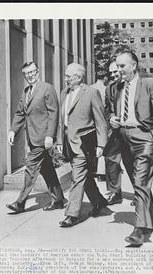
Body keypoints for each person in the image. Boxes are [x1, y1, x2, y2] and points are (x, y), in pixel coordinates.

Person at [109, 50, 153, 245]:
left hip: (144, 140)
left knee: (141, 182)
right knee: (137, 182)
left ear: (133, 65)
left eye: (122, 66)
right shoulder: (116, 87)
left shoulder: (149, 84)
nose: (119, 70)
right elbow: (112, 110)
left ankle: (140, 229)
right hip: (123, 139)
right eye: (117, 66)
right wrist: (113, 120)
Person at [6, 62, 65, 213]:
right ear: (24, 75)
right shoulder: (26, 92)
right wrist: (13, 130)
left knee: (30, 167)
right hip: (32, 138)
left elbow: (54, 113)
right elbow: (20, 113)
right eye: (27, 73)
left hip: (43, 138)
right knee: (47, 169)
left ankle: (20, 202)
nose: (30, 75)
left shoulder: (47, 88)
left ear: (38, 72)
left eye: (32, 72)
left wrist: (50, 136)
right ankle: (58, 199)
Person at [57, 63, 108, 227]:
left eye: (68, 76)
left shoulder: (92, 93)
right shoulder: (64, 93)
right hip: (67, 143)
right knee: (83, 177)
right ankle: (98, 200)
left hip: (83, 143)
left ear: (78, 77)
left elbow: (100, 120)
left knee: (77, 178)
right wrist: (59, 140)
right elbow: (62, 121)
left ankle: (72, 214)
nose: (65, 79)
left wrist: (101, 145)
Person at [104, 59, 124, 205]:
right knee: (110, 160)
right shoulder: (110, 87)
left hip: (132, 130)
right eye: (110, 73)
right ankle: (115, 192)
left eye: (115, 71)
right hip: (115, 131)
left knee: (135, 165)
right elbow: (108, 109)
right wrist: (111, 117)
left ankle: (140, 195)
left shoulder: (135, 85)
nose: (113, 75)